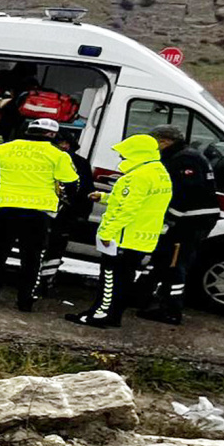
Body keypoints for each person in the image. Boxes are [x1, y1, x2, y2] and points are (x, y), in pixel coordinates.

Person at [0, 118, 79, 311]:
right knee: (32, 259)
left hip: (5, 208)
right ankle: (26, 300)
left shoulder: (6, 148)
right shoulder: (58, 155)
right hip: (39, 214)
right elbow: (72, 183)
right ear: (52, 135)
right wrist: (63, 203)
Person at [69, 133, 173, 329]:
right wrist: (104, 197)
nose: (121, 159)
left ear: (137, 154)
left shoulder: (137, 177)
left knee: (109, 279)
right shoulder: (159, 173)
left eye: (124, 156)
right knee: (125, 280)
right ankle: (114, 316)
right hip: (142, 238)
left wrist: (107, 233)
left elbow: (127, 209)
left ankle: (99, 315)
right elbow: (139, 201)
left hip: (123, 238)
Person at [135, 124, 220, 325]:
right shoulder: (181, 155)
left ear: (165, 141)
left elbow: (186, 193)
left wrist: (170, 219)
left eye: (154, 142)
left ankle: (170, 310)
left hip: (189, 221)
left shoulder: (184, 159)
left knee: (175, 264)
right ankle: (140, 296)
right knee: (161, 258)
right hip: (188, 218)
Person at [38, 130, 96, 294]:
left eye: (63, 143)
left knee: (51, 247)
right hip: (54, 212)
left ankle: (43, 280)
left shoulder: (79, 164)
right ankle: (41, 281)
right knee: (49, 247)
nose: (60, 146)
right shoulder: (78, 163)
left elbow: (86, 192)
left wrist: (81, 215)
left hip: (60, 213)